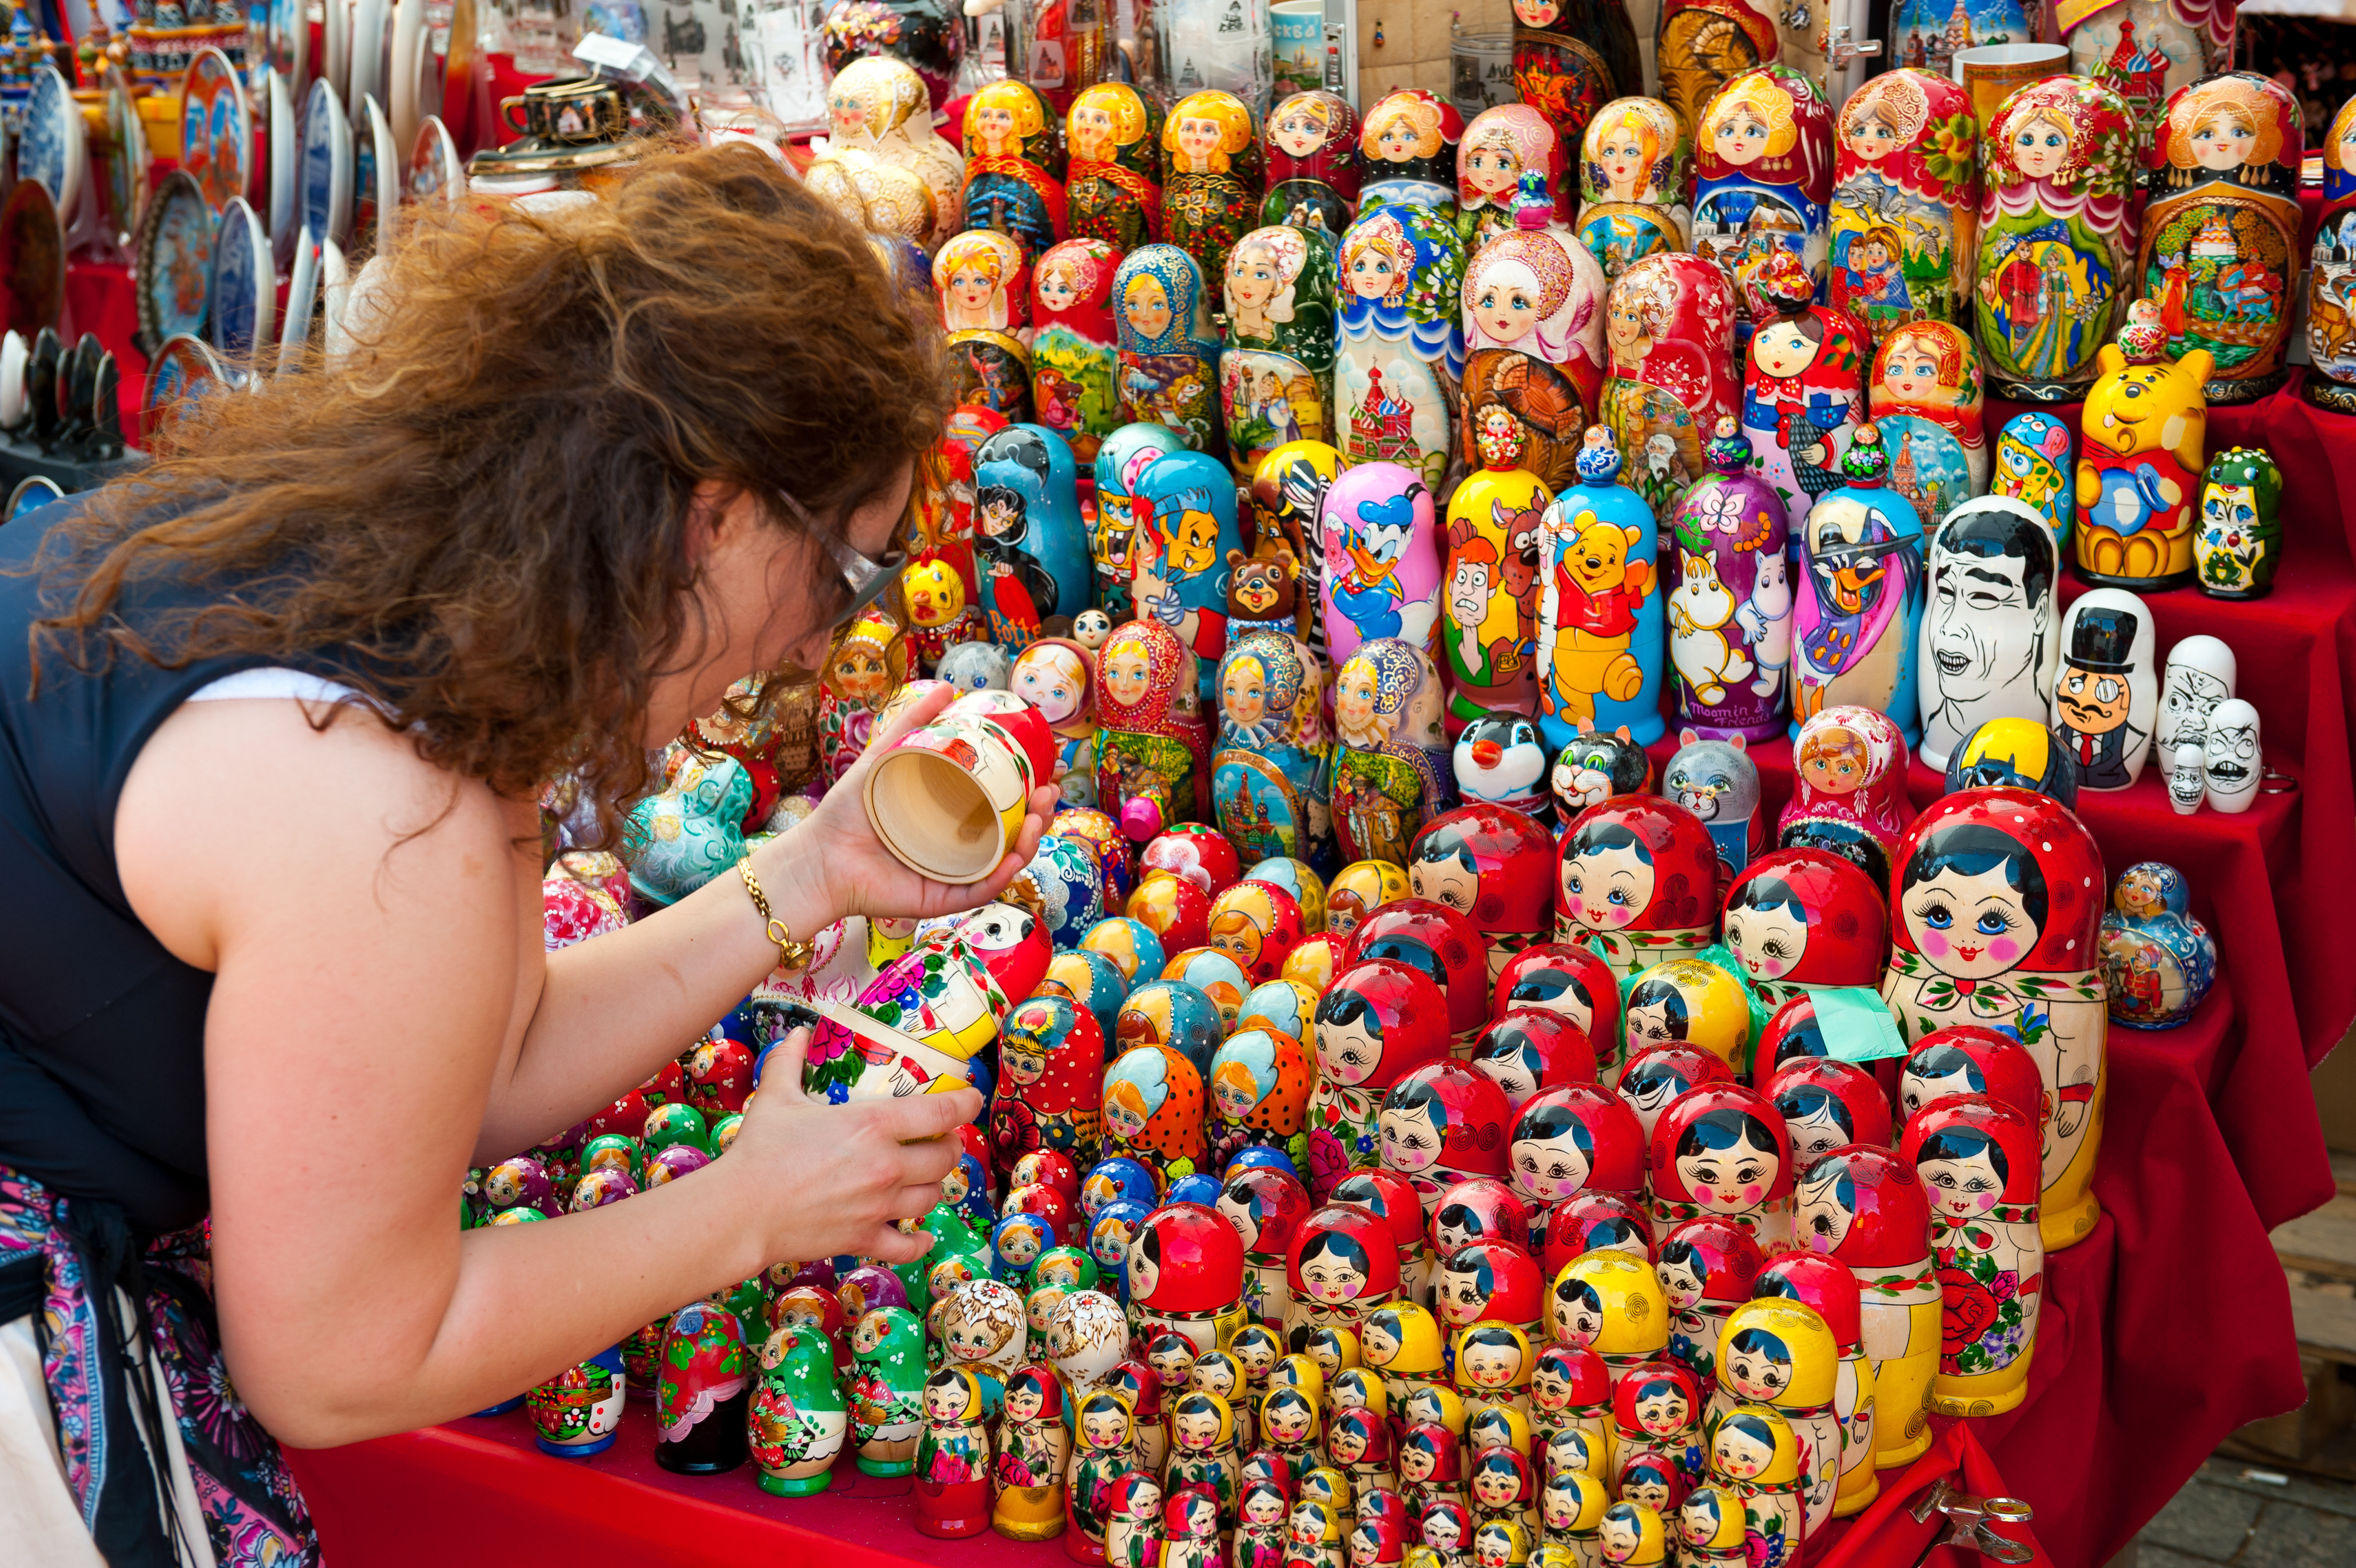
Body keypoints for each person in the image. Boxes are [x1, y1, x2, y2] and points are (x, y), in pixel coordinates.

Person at [0, 143, 1055, 1564]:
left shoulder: (411, 606)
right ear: (718, 508)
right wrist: (743, 1210)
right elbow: (336, 1358)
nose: (827, 634)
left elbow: (480, 1065)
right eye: (848, 565)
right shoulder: (379, 801)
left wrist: (810, 873)